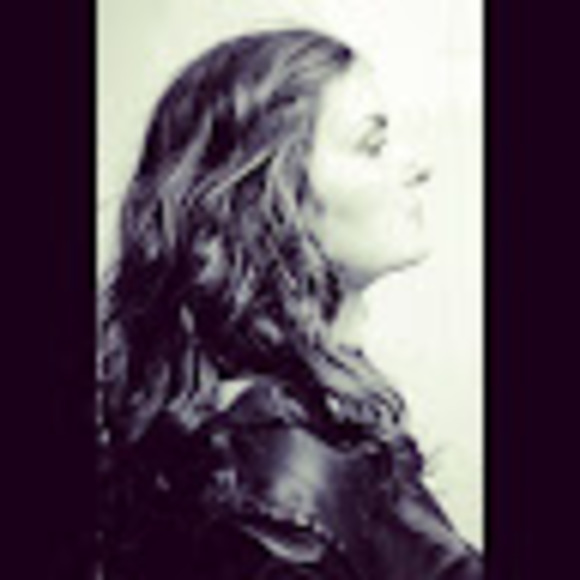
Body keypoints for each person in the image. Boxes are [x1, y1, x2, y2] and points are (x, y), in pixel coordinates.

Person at [97, 28, 482, 580]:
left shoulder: (319, 411)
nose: (419, 165)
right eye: (372, 145)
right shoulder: (278, 491)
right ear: (270, 200)